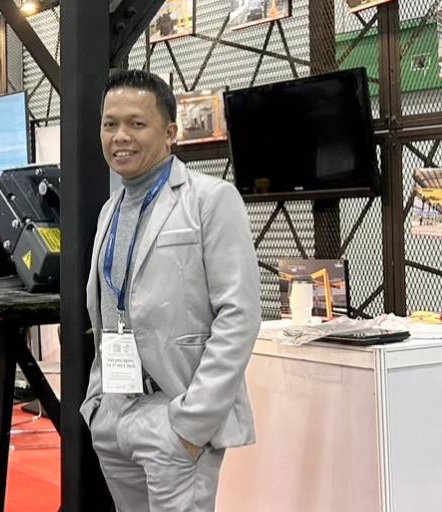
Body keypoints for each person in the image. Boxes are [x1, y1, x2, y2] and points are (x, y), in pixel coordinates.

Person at [80, 69, 261, 511]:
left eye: (137, 123)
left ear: (170, 133)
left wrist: (190, 423)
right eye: (110, 124)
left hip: (174, 415)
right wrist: (99, 405)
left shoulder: (211, 199)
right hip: (115, 410)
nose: (120, 136)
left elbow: (239, 314)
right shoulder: (110, 210)